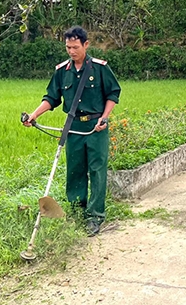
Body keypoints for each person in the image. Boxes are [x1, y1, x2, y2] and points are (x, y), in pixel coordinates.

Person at [23, 26, 121, 236]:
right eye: (68, 47)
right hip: (73, 127)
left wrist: (104, 118)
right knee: (75, 170)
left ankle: (95, 217)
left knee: (96, 170)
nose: (71, 51)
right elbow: (51, 98)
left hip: (96, 126)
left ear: (86, 45)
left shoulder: (100, 68)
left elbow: (113, 93)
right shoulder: (61, 72)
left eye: (75, 47)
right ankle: (77, 211)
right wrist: (34, 115)